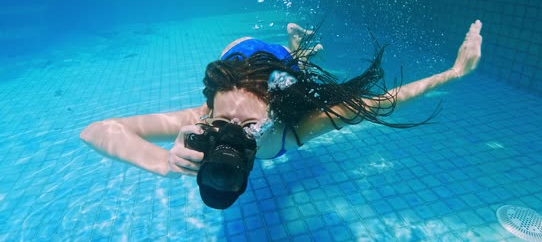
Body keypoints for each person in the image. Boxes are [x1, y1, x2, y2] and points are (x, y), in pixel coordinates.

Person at [81, 20, 482, 179]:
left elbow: (378, 102)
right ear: (209, 111)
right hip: (237, 53)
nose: (231, 133)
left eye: (251, 125)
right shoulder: (202, 118)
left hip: (277, 74)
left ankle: (297, 50)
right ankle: (296, 47)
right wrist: (160, 160)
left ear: (276, 114)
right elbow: (95, 130)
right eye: (223, 120)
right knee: (290, 68)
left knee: (295, 74)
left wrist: (454, 72)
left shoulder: (296, 123)